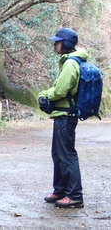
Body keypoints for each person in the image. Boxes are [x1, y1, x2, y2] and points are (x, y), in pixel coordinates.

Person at [39, 27, 85, 208]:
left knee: (66, 155)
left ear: (65, 44)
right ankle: (60, 190)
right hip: (62, 115)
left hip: (66, 116)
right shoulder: (68, 62)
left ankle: (74, 195)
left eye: (57, 41)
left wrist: (44, 94)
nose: (54, 44)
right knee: (58, 154)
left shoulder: (70, 64)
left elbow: (60, 90)